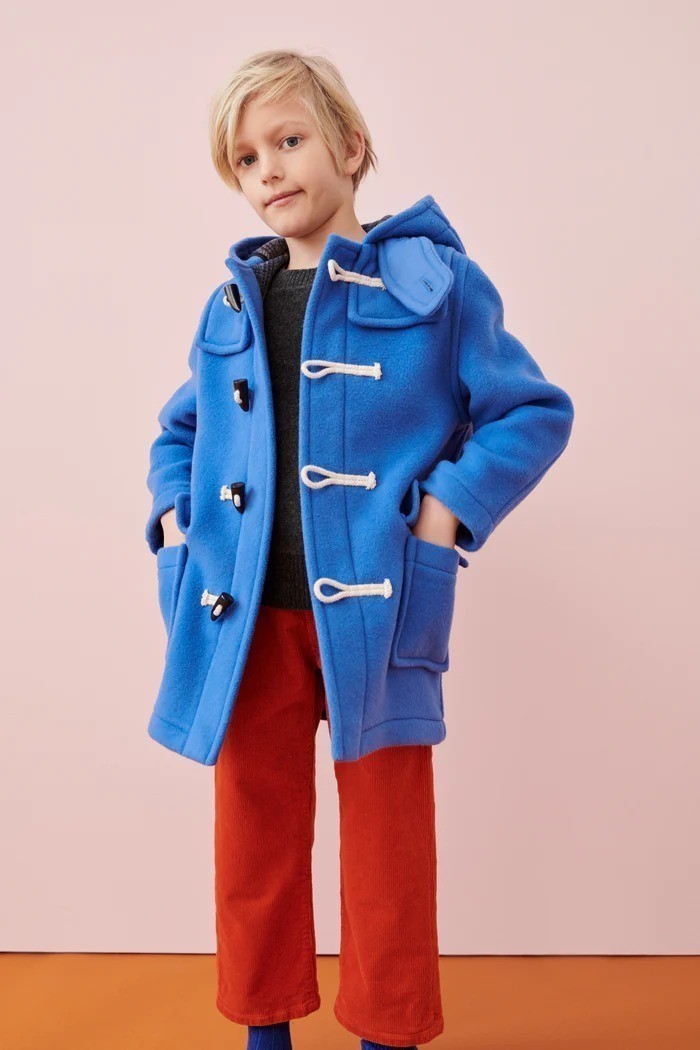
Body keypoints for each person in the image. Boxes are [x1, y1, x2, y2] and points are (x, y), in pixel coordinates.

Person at [145, 48, 575, 1050]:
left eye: (288, 139)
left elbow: (530, 411)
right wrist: (174, 520)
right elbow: (180, 432)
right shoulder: (231, 304)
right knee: (252, 838)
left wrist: (444, 512)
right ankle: (264, 1032)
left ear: (349, 146)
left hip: (380, 616)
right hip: (244, 618)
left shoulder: (434, 284)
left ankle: (388, 1032)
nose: (269, 170)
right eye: (245, 158)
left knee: (388, 848)